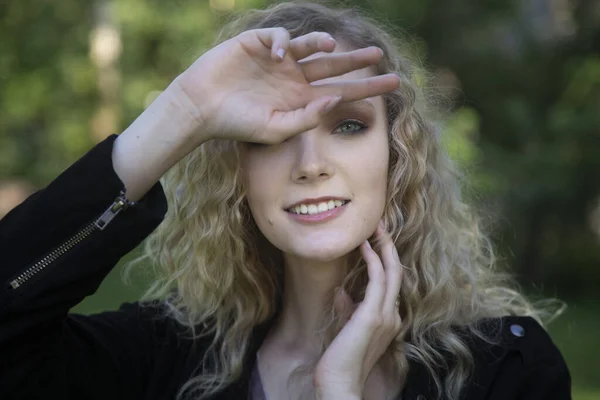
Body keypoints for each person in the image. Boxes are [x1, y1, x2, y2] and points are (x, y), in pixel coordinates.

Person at [0, 1, 570, 399]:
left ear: (397, 157)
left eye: (347, 126)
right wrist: (185, 110)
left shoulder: (508, 371)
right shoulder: (166, 356)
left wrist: (339, 392)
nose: (311, 165)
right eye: (270, 139)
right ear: (236, 175)